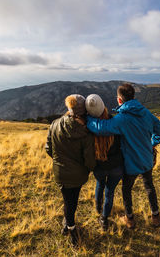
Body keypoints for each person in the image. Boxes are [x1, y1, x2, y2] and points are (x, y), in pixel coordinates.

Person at [86, 83, 160, 229]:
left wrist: (87, 118)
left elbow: (101, 128)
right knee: (149, 187)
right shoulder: (146, 113)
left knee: (127, 189)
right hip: (147, 159)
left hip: (131, 163)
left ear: (119, 100)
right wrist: (152, 144)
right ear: (133, 97)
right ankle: (156, 216)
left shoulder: (122, 119)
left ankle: (130, 219)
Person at [45, 94, 96, 246]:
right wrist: (88, 169)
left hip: (60, 173)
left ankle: (67, 224)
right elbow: (90, 160)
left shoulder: (55, 124)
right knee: (71, 201)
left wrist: (59, 161)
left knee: (68, 200)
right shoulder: (86, 133)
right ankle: (72, 230)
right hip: (78, 175)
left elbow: (48, 148)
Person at [85, 94, 124, 231]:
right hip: (116, 167)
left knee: (100, 184)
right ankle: (104, 218)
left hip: (99, 166)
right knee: (110, 192)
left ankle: (97, 207)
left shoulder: (89, 127)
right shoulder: (115, 122)